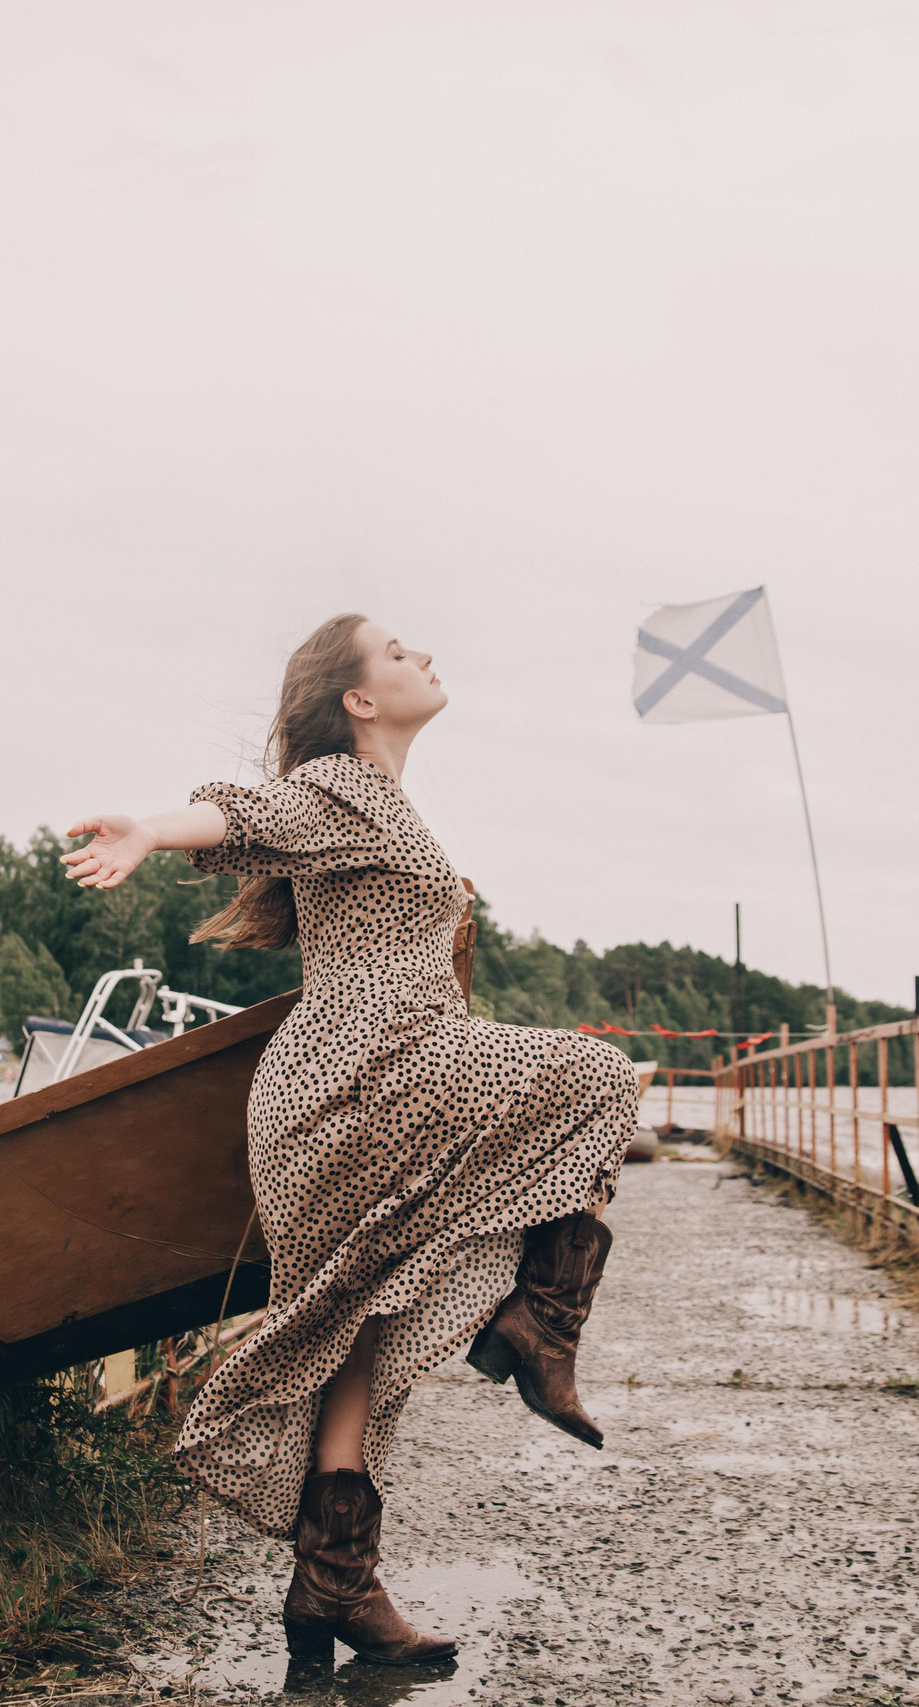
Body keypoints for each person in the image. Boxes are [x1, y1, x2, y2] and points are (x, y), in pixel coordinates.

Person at [62, 615, 636, 1669]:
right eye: (399, 653)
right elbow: (245, 809)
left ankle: (333, 1588)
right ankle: (541, 1326)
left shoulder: (386, 804)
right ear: (359, 701)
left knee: (366, 1332)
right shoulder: (346, 785)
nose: (427, 655)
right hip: (361, 1079)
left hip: (369, 1078)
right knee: (598, 1078)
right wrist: (148, 830)